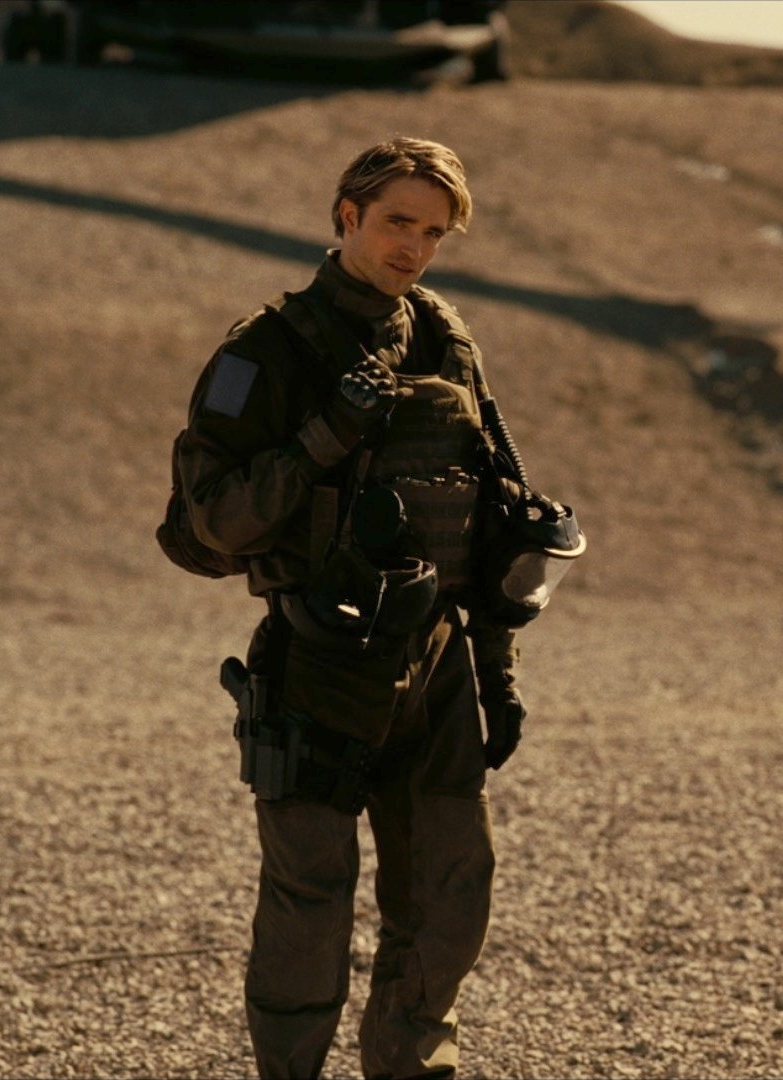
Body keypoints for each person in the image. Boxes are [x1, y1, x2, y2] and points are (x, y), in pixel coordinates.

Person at [172, 137, 531, 1079]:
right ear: (348, 217)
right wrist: (322, 440)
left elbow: (492, 518)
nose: (415, 247)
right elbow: (212, 521)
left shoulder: (446, 342)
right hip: (319, 660)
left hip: (437, 664)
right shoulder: (268, 350)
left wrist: (496, 673)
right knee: (310, 904)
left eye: (435, 233)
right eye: (397, 223)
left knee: (450, 896)